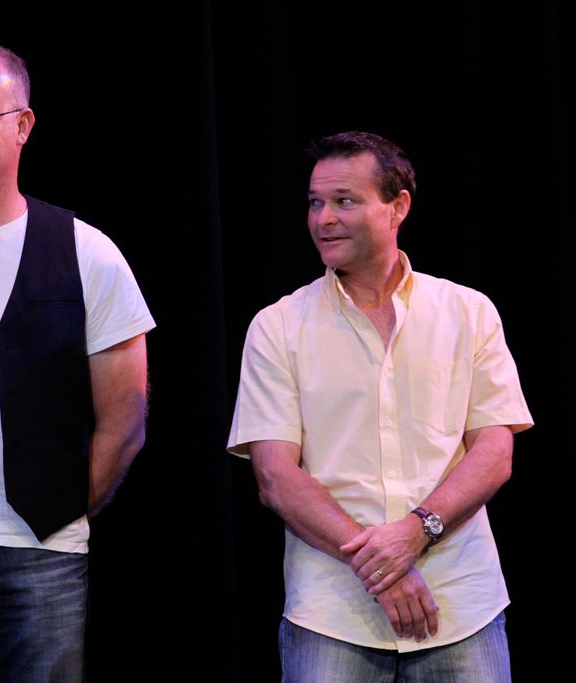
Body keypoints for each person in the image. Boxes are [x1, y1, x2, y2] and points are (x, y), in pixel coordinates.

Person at [228, 131, 533, 681]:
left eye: (344, 201)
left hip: (459, 604)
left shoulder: (468, 312)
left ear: (398, 207)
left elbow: (494, 452)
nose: (323, 219)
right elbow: (275, 475)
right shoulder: (278, 325)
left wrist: (416, 532)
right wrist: (382, 567)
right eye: (315, 202)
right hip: (333, 612)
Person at [0, 37, 155, 682]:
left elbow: (125, 419)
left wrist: (64, 512)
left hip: (39, 554)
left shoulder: (86, 252)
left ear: (22, 126)